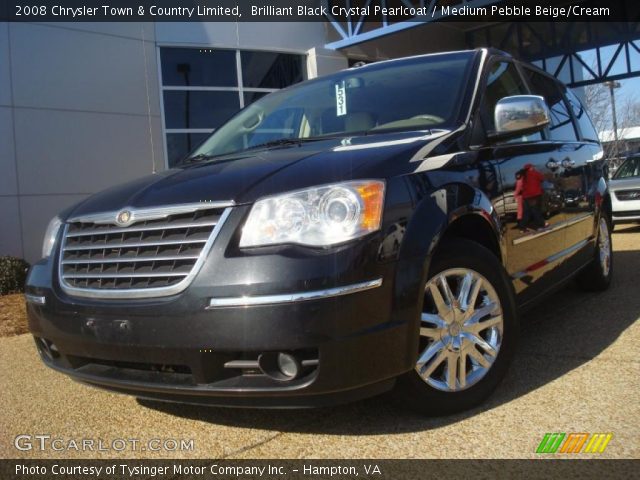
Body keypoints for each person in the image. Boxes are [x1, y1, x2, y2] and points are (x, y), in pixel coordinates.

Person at [520, 163, 549, 230]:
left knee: (526, 212)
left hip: (525, 196)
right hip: (534, 195)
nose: (533, 168)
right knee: (536, 210)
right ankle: (541, 224)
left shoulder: (524, 175)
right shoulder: (534, 173)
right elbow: (542, 178)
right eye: (532, 167)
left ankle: (522, 226)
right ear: (530, 168)